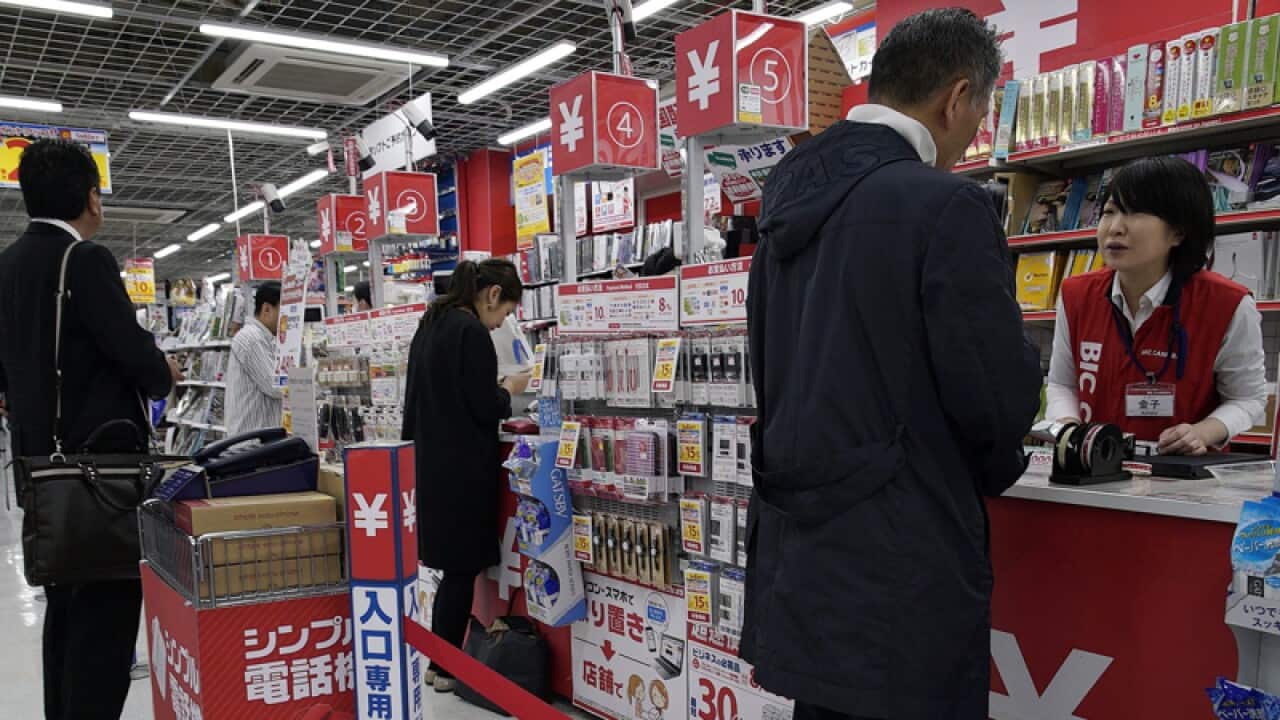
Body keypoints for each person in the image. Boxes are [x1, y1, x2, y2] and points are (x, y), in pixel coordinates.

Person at [741, 9, 1042, 720]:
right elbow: (995, 400)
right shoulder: (947, 207)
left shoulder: (784, 206)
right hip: (904, 566)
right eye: (979, 112)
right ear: (957, 97)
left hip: (802, 552)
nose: (973, 133)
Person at [0, 138, 181, 720]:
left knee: (64, 613)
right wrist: (163, 372)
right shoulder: (85, 260)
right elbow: (131, 351)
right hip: (98, 478)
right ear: (90, 196)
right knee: (105, 621)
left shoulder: (7, 265)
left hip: (41, 474)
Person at [1048, 156, 1267, 453]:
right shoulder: (1076, 294)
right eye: (1109, 211)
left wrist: (1202, 433)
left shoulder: (1228, 304)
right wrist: (1069, 429)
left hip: (1182, 480)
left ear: (1178, 231)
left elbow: (1248, 400)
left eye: (1135, 212)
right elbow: (1063, 383)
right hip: (1094, 471)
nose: (1114, 227)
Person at [401, 259, 528, 693]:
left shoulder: (431, 322)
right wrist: (510, 388)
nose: (501, 324)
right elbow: (484, 405)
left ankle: (440, 661)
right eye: (505, 312)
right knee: (460, 571)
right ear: (492, 295)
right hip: (464, 470)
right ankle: (446, 666)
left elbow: (413, 399)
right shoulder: (470, 332)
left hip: (433, 465)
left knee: (451, 572)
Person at [225, 281, 283, 436]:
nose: (288, 320)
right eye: (284, 312)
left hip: (258, 439)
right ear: (266, 309)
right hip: (250, 443)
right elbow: (274, 386)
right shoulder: (252, 338)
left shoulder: (264, 339)